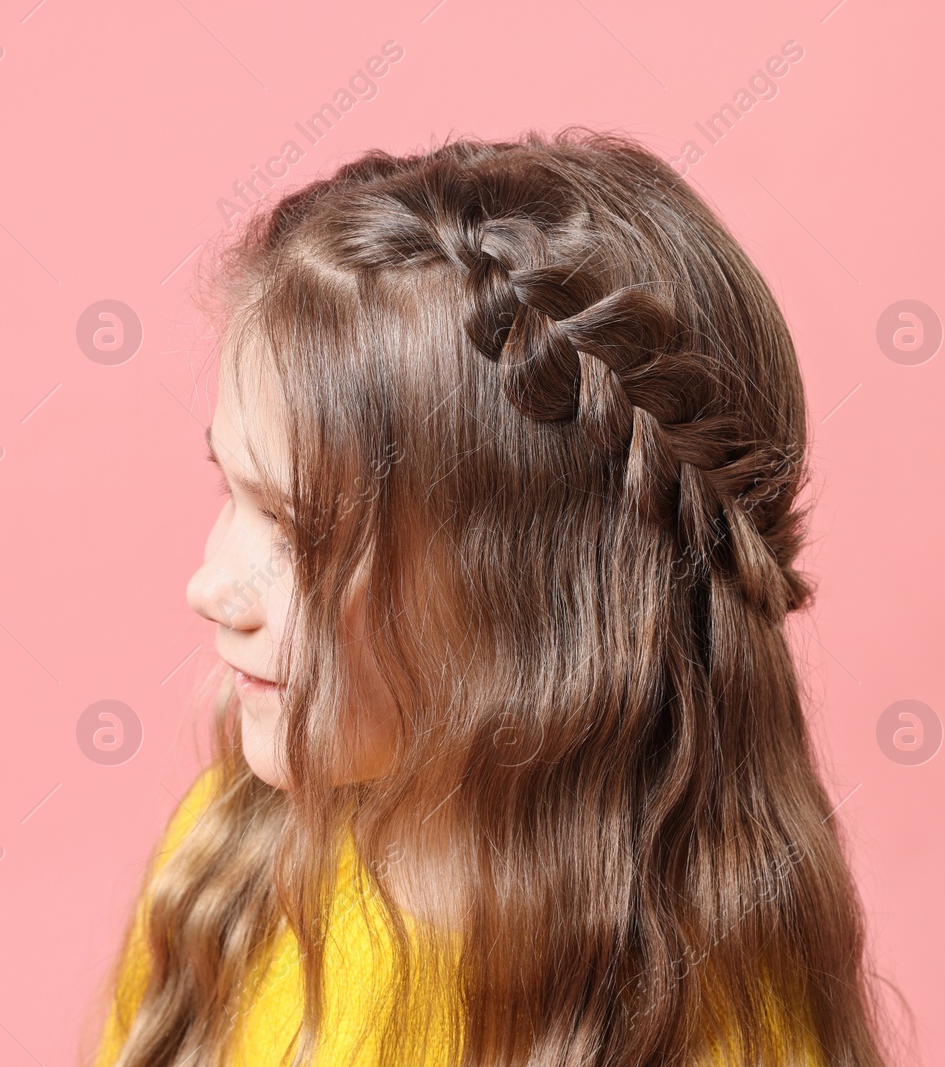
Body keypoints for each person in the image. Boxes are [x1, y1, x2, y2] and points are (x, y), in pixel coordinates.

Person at [91, 127, 896, 1066]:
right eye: (231, 490)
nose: (212, 587)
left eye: (302, 530)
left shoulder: (704, 1034)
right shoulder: (226, 861)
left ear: (536, 607)